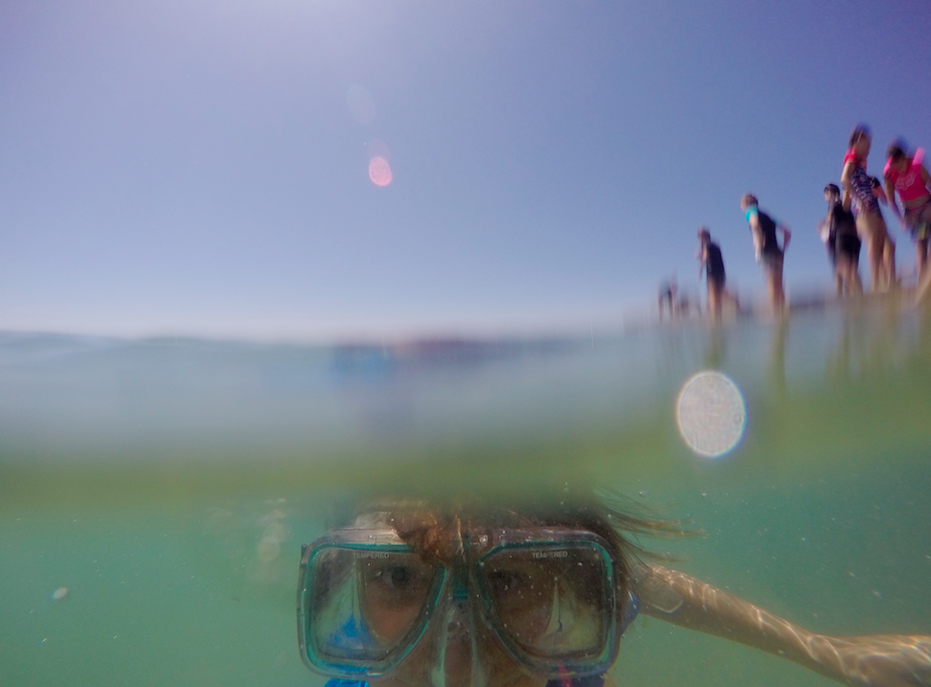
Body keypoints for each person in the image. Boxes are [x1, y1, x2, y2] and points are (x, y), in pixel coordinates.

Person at [297, 494, 931, 687]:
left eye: (509, 581)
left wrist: (825, 653)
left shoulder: (573, 625)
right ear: (349, 580)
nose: (456, 667)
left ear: (565, 580)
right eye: (401, 577)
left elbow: (657, 589)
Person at [841, 125, 895, 292]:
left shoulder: (859, 161)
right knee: (874, 242)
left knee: (888, 245)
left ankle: (888, 282)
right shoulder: (853, 155)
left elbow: (850, 187)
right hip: (865, 206)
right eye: (868, 145)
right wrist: (858, 201)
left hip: (870, 204)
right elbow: (844, 180)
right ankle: (877, 285)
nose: (870, 149)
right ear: (858, 141)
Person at [883, 141, 931, 283]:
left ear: (905, 157)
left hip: (927, 206)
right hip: (911, 213)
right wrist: (900, 219)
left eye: (901, 164)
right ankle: (923, 282)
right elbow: (891, 200)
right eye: (895, 166)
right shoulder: (890, 175)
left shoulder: (917, 166)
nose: (899, 169)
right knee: (921, 245)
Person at [740, 194, 791, 314]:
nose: (742, 209)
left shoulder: (750, 211)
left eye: (742, 206)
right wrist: (783, 248)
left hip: (766, 251)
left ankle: (774, 315)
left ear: (746, 203)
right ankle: (784, 315)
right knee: (779, 285)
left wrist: (758, 245)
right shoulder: (768, 216)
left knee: (771, 283)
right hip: (777, 251)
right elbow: (787, 231)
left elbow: (755, 224)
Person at [824, 183, 862, 297]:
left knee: (843, 268)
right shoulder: (846, 207)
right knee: (851, 268)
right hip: (855, 238)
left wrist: (824, 226)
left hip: (842, 237)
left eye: (825, 195)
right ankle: (857, 295)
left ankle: (845, 298)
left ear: (829, 193)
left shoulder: (834, 203)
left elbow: (830, 220)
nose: (826, 198)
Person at [697, 228, 727, 322]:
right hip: (721, 272)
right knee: (719, 298)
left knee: (713, 298)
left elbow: (705, 257)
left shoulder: (705, 244)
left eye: (699, 236)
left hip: (712, 273)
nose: (699, 238)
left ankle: (715, 322)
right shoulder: (715, 245)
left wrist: (700, 260)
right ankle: (719, 320)